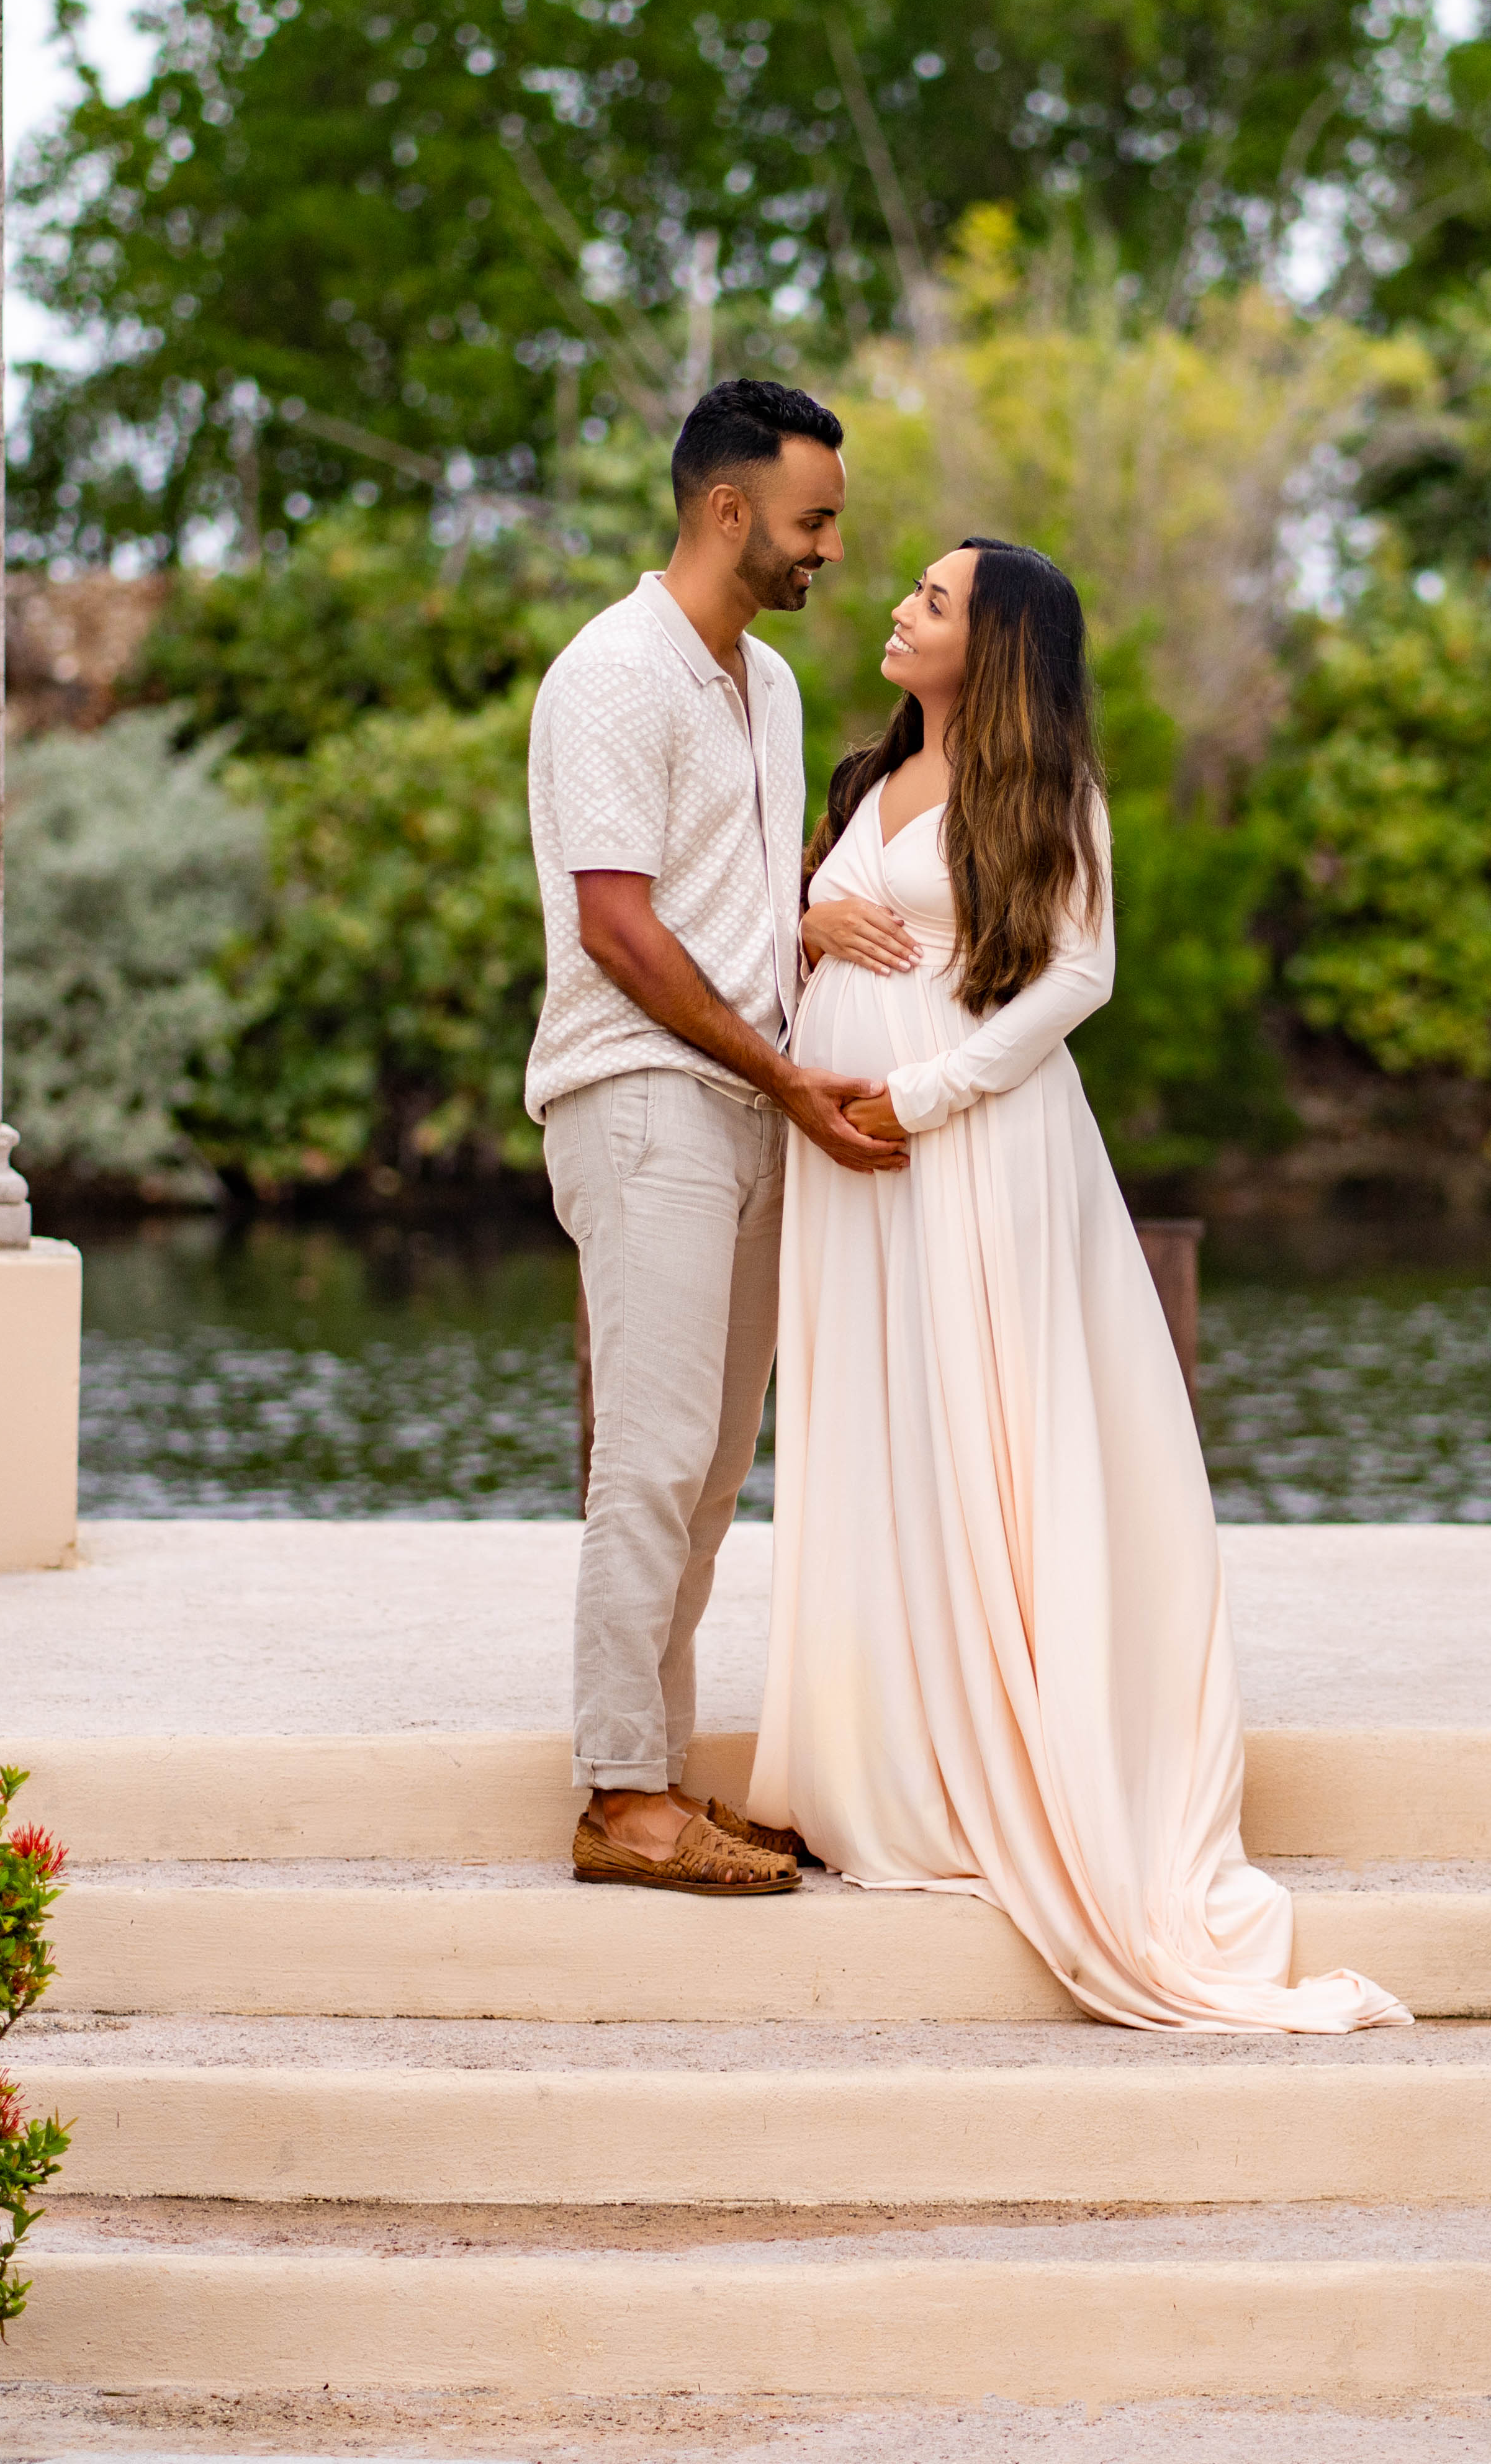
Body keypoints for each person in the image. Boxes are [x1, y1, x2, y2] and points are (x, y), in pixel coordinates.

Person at [741, 539, 1410, 2031]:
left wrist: (926, 1093)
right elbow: (800, 925)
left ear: (999, 648)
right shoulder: (863, 777)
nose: (901, 609)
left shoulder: (1048, 799)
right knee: (879, 1435)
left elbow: (1077, 976)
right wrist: (803, 918)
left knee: (988, 1435)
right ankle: (882, 1752)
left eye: (932, 600)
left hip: (966, 1146)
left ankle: (1006, 1749)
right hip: (846, 1157)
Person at [525, 378, 899, 1899]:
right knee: (657, 1452)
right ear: (728, 507)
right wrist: (787, 1072)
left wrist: (809, 933)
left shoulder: (769, 686)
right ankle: (619, 1793)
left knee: (711, 1466)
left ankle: (663, 1773)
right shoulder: (610, 675)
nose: (827, 550)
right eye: (812, 519)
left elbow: (736, 902)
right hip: (643, 1094)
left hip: (752, 1097)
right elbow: (618, 928)